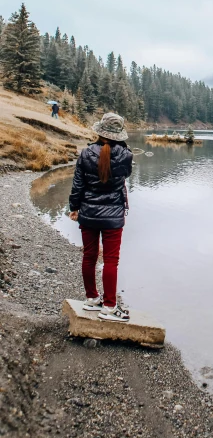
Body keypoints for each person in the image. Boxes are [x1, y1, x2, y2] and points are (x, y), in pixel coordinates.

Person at [69, 112, 133, 321]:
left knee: (89, 256)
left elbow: (78, 184)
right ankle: (109, 307)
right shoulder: (125, 155)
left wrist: (74, 207)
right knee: (111, 261)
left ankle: (91, 300)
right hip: (113, 216)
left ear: (100, 132)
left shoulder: (86, 153)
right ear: (118, 134)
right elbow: (127, 175)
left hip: (88, 213)